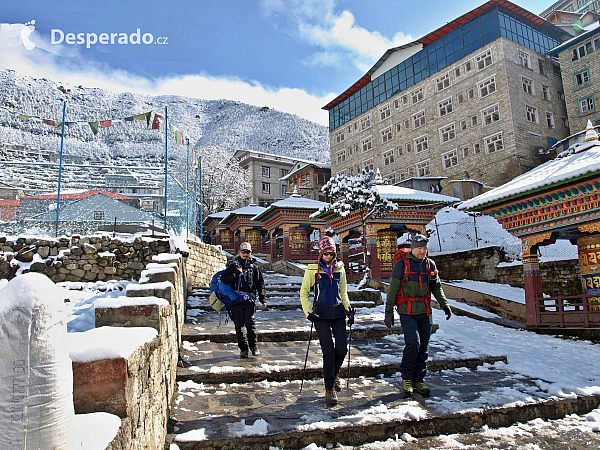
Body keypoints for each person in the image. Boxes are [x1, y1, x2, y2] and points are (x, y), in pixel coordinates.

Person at [384, 234, 452, 397]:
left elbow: (437, 287)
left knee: (424, 347)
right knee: (413, 343)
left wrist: (444, 304)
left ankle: (418, 379)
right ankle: (406, 378)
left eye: (425, 248)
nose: (423, 251)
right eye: (420, 248)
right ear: (413, 248)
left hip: (425, 310)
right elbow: (392, 289)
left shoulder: (430, 264)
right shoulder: (401, 265)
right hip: (407, 310)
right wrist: (388, 311)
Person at [300, 236, 355, 406]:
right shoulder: (312, 270)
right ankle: (329, 387)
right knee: (328, 351)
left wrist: (348, 308)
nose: (329, 257)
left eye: (332, 253)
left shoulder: (340, 268)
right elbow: (304, 293)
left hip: (338, 313)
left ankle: (335, 373)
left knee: (341, 349)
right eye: (326, 253)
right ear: (320, 252)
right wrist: (309, 311)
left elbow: (343, 291)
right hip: (321, 316)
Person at [221, 242, 266, 359]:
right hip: (236, 300)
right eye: (243, 252)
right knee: (239, 326)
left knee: (250, 323)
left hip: (249, 299)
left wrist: (262, 298)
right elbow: (224, 279)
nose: (246, 254)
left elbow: (260, 283)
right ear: (239, 252)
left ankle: (254, 347)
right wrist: (236, 273)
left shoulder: (254, 267)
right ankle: (243, 349)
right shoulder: (233, 266)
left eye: (248, 252)